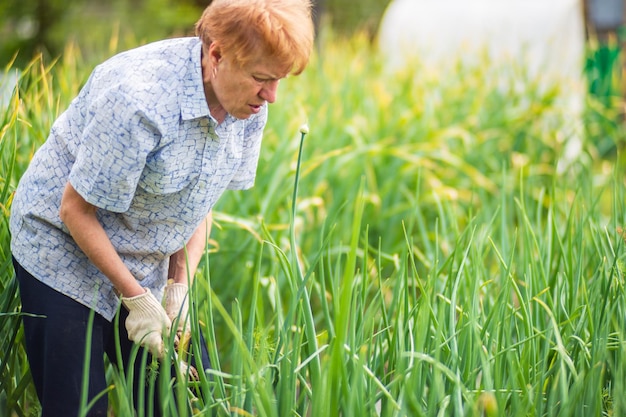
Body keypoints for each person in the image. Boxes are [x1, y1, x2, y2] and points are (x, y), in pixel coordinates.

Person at [9, 0, 314, 415]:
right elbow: (74, 210)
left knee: (184, 400)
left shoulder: (248, 104)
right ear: (217, 54)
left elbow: (199, 201)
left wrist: (177, 290)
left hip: (141, 253)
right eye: (262, 78)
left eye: (278, 80)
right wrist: (136, 300)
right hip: (61, 249)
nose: (272, 96)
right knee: (79, 406)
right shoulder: (139, 101)